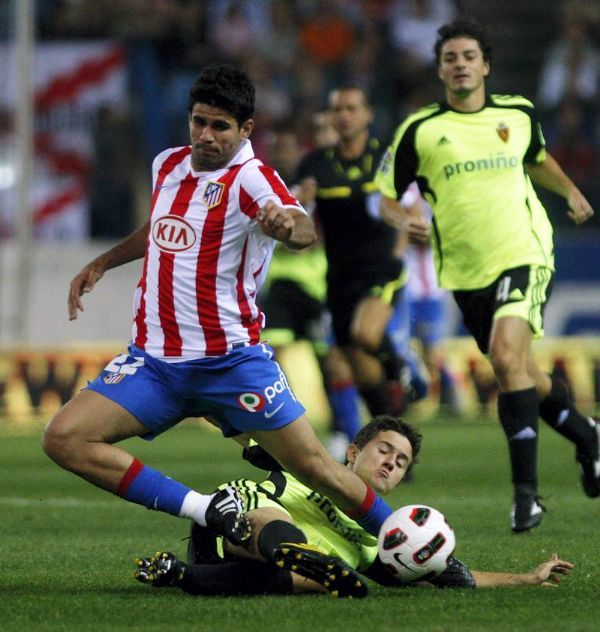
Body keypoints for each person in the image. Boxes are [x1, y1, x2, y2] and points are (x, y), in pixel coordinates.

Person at [42, 64, 397, 547]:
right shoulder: (167, 164)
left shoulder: (253, 179)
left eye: (219, 126)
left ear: (246, 129)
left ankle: (409, 544)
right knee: (64, 437)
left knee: (318, 469)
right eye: (198, 122)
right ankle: (208, 510)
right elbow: (162, 227)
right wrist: (104, 262)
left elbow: (300, 225)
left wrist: (285, 226)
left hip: (229, 363)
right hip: (154, 362)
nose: (205, 136)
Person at [375, 19, 599, 533]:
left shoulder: (516, 114)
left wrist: (569, 192)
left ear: (485, 66)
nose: (460, 64)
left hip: (524, 250)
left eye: (469, 56)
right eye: (451, 57)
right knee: (519, 370)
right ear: (440, 69)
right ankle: (587, 436)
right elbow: (386, 194)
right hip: (464, 270)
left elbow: (537, 159)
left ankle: (526, 496)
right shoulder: (420, 130)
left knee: (504, 358)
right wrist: (401, 218)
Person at [133, 416, 575, 597]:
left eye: (400, 462)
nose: (391, 463)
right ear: (352, 453)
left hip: (250, 568)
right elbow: (240, 423)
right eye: (384, 450)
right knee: (281, 529)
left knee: (314, 578)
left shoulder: (384, 537)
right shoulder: (309, 465)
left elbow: (449, 574)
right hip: (237, 518)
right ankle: (292, 553)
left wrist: (525, 577)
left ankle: (181, 574)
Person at [296, 85, 409, 419]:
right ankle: (389, 427)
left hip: (381, 268)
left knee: (365, 334)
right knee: (358, 362)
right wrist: (301, 206)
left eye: (351, 108)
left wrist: (405, 230)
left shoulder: (386, 159)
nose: (343, 115)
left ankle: (399, 368)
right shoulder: (314, 164)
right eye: (337, 109)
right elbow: (303, 220)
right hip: (339, 275)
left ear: (368, 115)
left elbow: (409, 206)